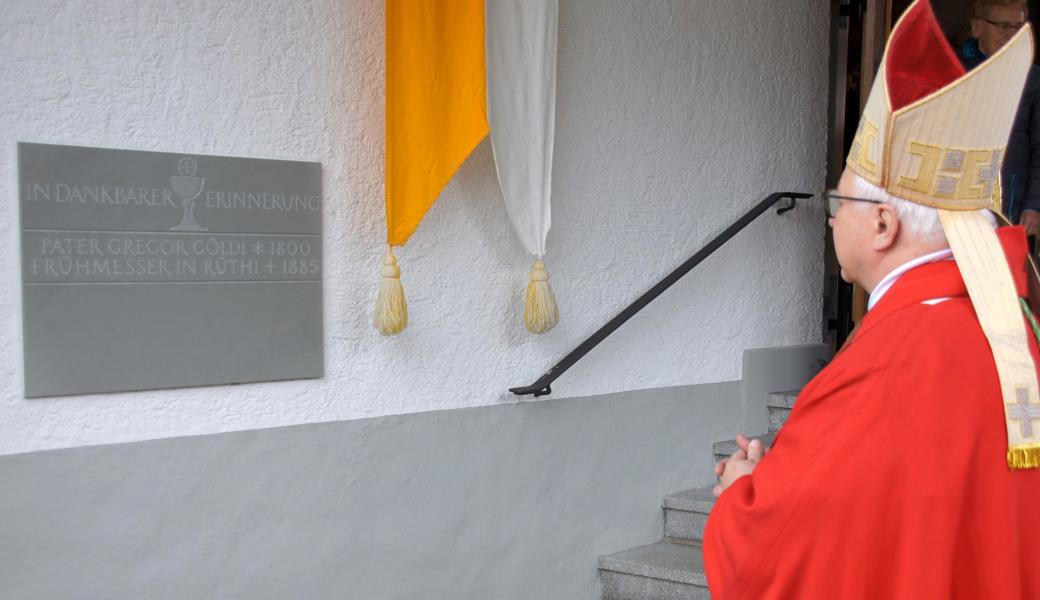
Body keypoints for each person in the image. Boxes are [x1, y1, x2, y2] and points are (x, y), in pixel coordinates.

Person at [703, 1, 1040, 598]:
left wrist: (742, 492)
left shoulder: (892, 360)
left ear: (884, 225)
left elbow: (770, 556)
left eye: (839, 204)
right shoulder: (1013, 329)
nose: (831, 221)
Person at [959, 0, 1040, 234]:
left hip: (1009, 205)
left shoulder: (1032, 79)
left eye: (1019, 26)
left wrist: (1034, 205)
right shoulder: (953, 72)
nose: (1012, 34)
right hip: (957, 202)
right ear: (977, 27)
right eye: (1003, 25)